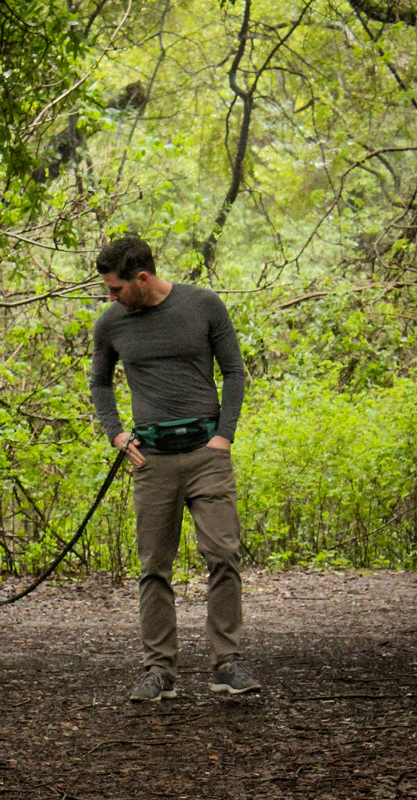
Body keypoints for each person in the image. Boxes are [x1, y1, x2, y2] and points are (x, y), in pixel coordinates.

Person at [89, 235, 261, 701]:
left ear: (141, 278)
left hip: (207, 454)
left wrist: (224, 435)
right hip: (152, 459)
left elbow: (235, 372)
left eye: (116, 289)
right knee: (154, 567)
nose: (111, 298)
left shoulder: (203, 305)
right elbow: (100, 384)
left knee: (223, 554)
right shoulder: (110, 324)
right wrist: (117, 435)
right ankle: (159, 670)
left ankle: (227, 663)